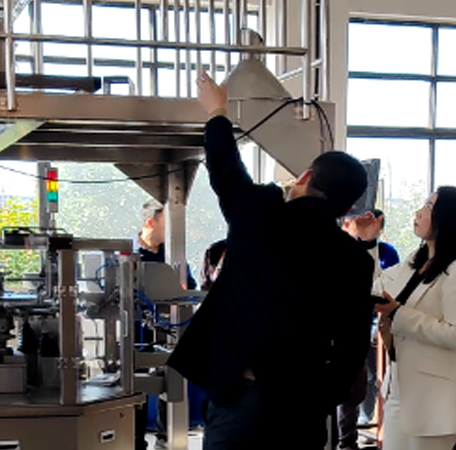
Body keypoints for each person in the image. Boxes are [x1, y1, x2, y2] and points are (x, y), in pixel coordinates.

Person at [166, 72, 376, 450]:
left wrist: (217, 112)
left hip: (238, 394)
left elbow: (226, 169)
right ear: (348, 209)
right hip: (301, 404)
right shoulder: (353, 260)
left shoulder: (258, 213)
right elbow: (352, 346)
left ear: (305, 176)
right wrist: (322, 398)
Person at [369, 186, 456, 450]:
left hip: (435, 398)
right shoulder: (416, 261)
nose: (419, 213)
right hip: (401, 388)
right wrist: (368, 243)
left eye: (429, 207)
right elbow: (375, 287)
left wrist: (399, 313)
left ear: (449, 218)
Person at [133, 198, 198, 450]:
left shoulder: (172, 256)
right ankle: (135, 441)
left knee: (169, 381)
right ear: (150, 223)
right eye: (166, 223)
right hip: (135, 330)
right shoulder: (128, 255)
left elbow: (188, 288)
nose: (171, 231)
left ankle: (166, 438)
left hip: (168, 330)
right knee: (135, 386)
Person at [338, 209, 400, 450]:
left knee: (372, 377)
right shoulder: (340, 249)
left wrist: (368, 243)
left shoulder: (387, 252)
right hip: (347, 326)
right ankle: (347, 438)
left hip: (377, 322)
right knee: (350, 382)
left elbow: (384, 286)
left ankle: (365, 424)